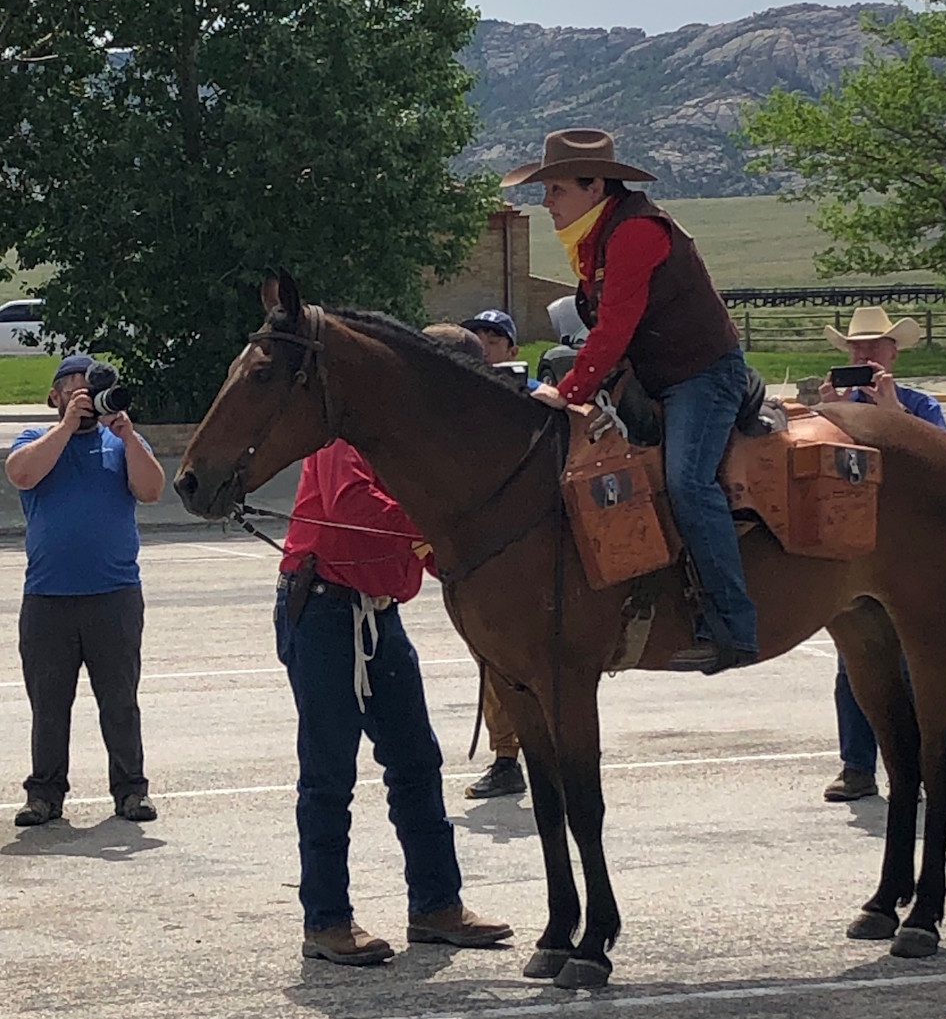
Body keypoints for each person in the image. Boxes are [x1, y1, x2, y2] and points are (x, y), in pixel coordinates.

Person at [274, 323, 512, 966]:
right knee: (329, 773)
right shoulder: (351, 432)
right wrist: (445, 521)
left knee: (416, 762)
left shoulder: (421, 447)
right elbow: (358, 510)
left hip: (376, 613)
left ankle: (436, 907)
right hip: (325, 610)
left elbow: (431, 545)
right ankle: (326, 921)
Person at [502, 127, 757, 672]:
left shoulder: (635, 232)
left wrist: (567, 392)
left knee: (689, 482)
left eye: (556, 190)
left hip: (702, 375)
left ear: (595, 187)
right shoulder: (600, 236)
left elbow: (615, 328)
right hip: (656, 376)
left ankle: (734, 626)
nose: (546, 202)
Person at [5, 354, 165, 826]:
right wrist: (67, 425)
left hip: (114, 596)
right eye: (72, 390)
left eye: (89, 391)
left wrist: (129, 435)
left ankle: (131, 791)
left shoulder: (120, 443)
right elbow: (22, 474)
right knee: (49, 703)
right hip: (48, 599)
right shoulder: (37, 439)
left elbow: (153, 489)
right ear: (53, 396)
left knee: (119, 699)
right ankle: (44, 795)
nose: (83, 399)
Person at [818, 306, 946, 801]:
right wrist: (826, 411)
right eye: (856, 347)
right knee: (854, 662)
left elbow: (943, 466)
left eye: (873, 346)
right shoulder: (833, 408)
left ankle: (912, 767)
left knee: (916, 664)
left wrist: (893, 413)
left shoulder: (920, 406)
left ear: (894, 353)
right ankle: (857, 766)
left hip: (909, 549)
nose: (863, 354)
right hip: (855, 544)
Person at [458, 309, 533, 798]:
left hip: (528, 550)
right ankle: (506, 758)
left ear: (512, 351)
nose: (484, 344)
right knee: (491, 658)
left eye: (494, 337)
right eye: (477, 336)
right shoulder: (455, 408)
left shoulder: (529, 402)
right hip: (480, 555)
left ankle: (542, 754)